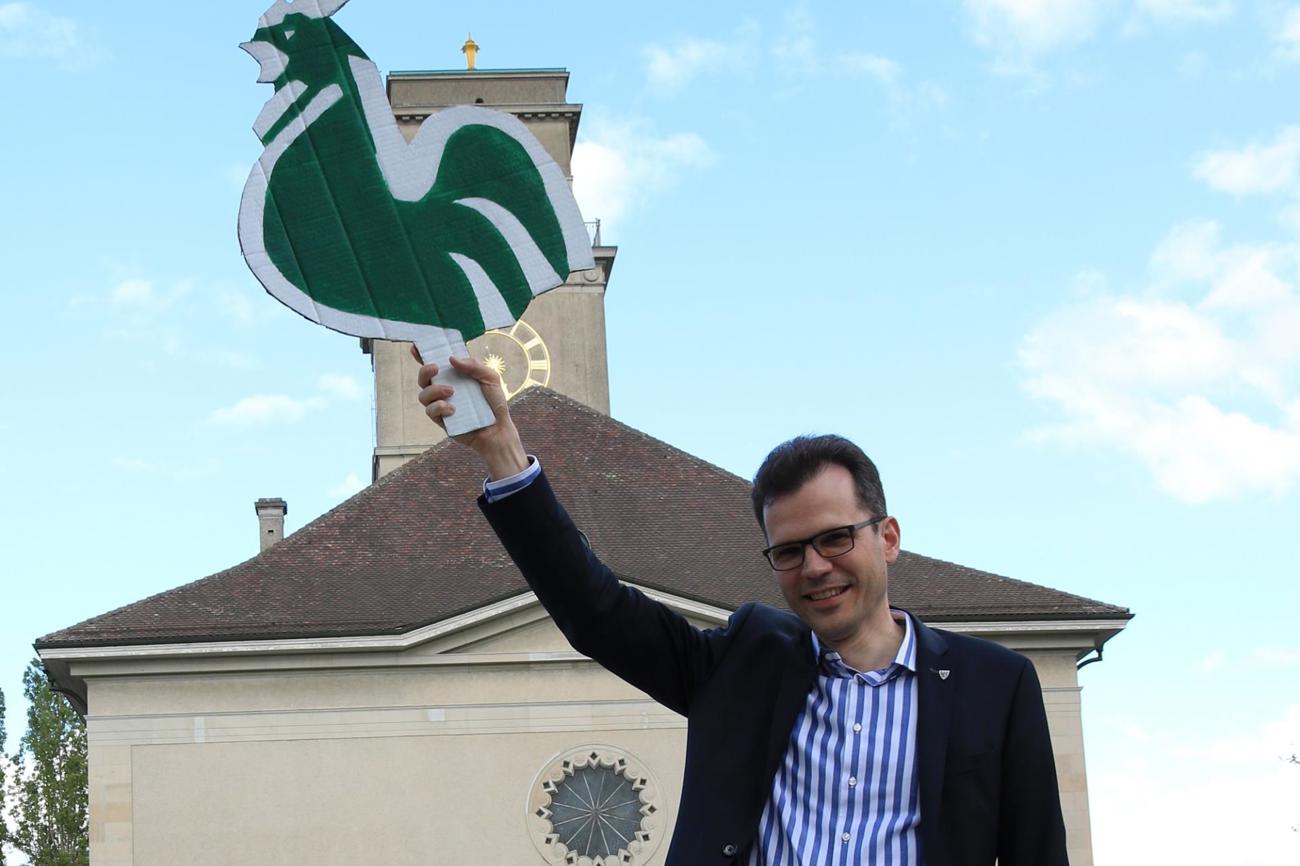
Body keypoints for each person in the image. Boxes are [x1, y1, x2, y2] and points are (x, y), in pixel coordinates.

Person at [416, 352, 1069, 866]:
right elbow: (597, 612)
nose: (815, 567)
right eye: (790, 551)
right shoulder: (744, 665)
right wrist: (502, 452)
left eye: (835, 539)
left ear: (888, 538)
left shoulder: (994, 684)